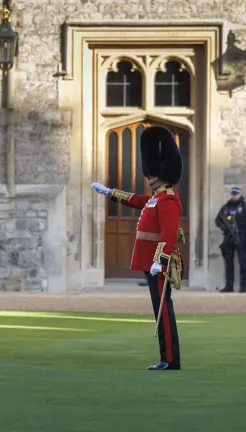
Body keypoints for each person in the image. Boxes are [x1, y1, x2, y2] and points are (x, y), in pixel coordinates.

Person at [91, 125, 183, 371]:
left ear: (160, 174)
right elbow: (137, 200)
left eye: (152, 174)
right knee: (159, 309)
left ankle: (170, 359)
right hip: (150, 261)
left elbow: (169, 233)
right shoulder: (156, 197)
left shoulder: (169, 199)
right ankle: (167, 357)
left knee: (163, 310)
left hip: (159, 264)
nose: (148, 177)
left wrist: (159, 260)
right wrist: (110, 193)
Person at [215, 186, 246, 292]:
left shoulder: (245, 208)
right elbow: (218, 220)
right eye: (233, 194)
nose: (234, 196)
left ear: (240, 194)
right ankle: (229, 286)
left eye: (236, 194)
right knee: (228, 263)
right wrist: (223, 227)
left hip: (241, 236)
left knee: (242, 262)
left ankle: (243, 286)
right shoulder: (226, 208)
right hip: (228, 237)